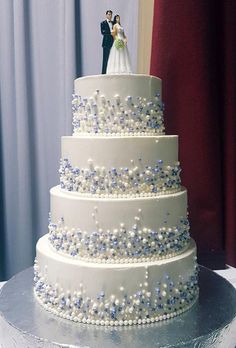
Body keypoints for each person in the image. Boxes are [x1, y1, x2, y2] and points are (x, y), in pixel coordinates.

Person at [100, 10, 114, 74]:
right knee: (105, 58)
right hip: (106, 42)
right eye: (108, 14)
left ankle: (110, 71)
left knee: (113, 57)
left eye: (110, 14)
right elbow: (103, 32)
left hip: (113, 41)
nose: (109, 15)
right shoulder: (103, 23)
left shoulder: (113, 23)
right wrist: (110, 33)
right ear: (106, 15)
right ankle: (104, 72)